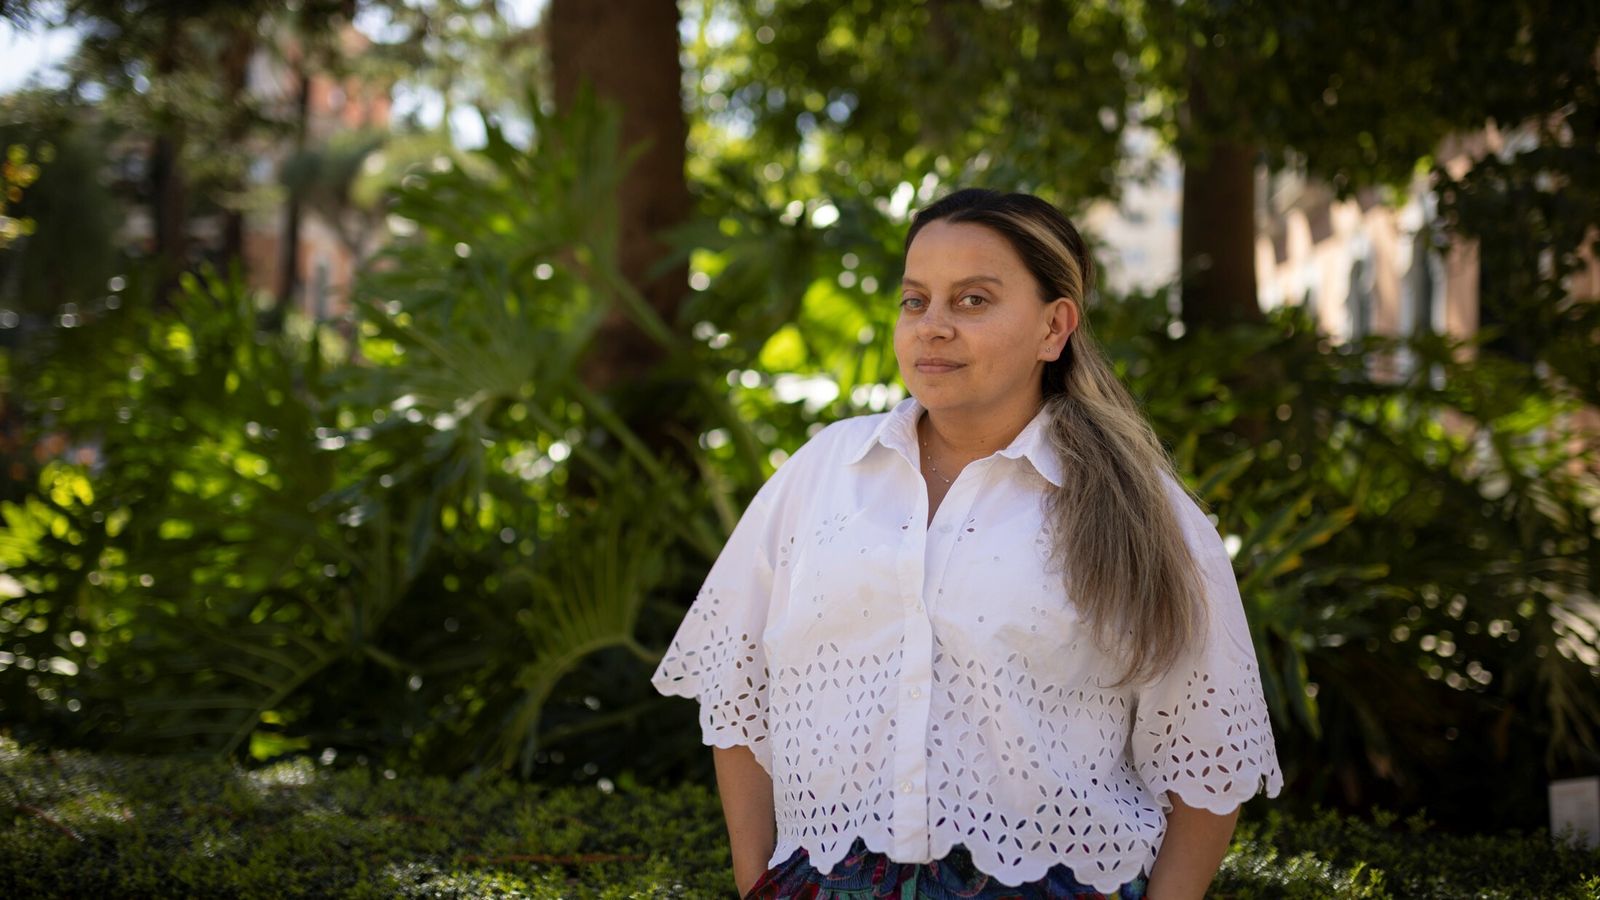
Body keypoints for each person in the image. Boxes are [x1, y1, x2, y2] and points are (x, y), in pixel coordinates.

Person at [651, 188, 1284, 899]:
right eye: (916, 301)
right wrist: (756, 883)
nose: (933, 327)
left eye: (973, 301)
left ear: (1055, 327)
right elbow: (737, 696)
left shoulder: (1145, 516)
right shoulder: (822, 474)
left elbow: (1204, 766)